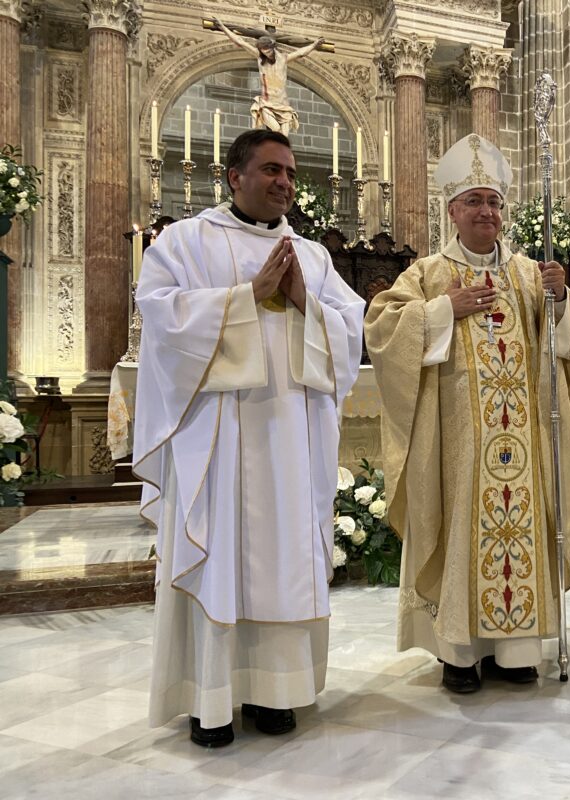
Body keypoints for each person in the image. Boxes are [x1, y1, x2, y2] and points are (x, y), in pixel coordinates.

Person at [134, 129, 365, 747]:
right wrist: (247, 298)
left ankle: (276, 691)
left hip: (290, 440)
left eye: (289, 171)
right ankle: (209, 699)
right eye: (270, 170)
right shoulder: (185, 241)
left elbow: (351, 331)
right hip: (216, 438)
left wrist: (303, 304)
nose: (284, 181)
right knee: (221, 556)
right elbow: (158, 315)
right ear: (233, 176)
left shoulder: (311, 256)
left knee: (284, 558)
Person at [365, 133, 570, 694]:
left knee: (521, 528)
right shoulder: (428, 274)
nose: (486, 212)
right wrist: (442, 310)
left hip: (526, 437)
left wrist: (561, 302)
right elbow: (382, 325)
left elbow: (567, 343)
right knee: (463, 524)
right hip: (458, 444)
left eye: (493, 203)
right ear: (452, 211)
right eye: (474, 202)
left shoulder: (530, 274)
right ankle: (459, 653)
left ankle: (514, 651)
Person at [214, 18, 324, 135]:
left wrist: (314, 45)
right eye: (263, 51)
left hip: (283, 105)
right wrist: (223, 27)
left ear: (272, 47)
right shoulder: (260, 58)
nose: (266, 53)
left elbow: (301, 53)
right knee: (275, 130)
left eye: (268, 51)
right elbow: (241, 42)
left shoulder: (283, 59)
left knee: (284, 138)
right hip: (267, 104)